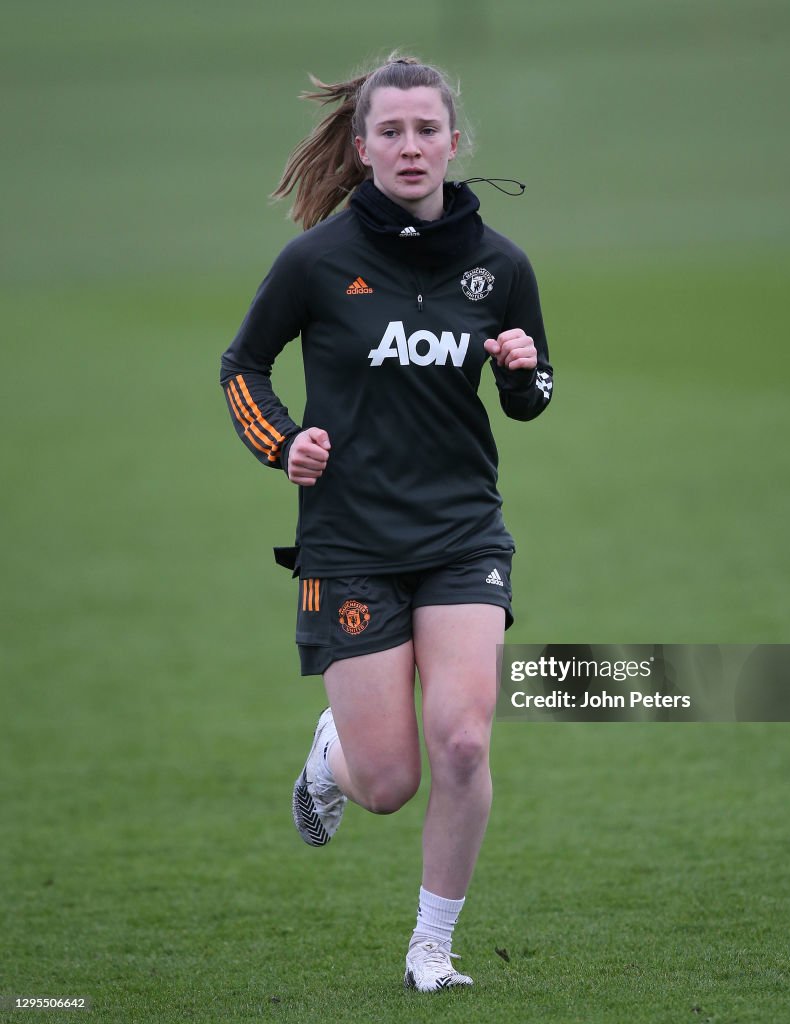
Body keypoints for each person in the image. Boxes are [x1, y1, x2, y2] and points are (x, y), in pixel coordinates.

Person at [219, 54, 554, 992]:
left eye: (427, 130)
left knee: (463, 739)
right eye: (392, 132)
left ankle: (432, 948)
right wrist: (282, 446)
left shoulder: (501, 267)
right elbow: (242, 367)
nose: (412, 146)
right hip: (352, 545)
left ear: (455, 143)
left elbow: (530, 400)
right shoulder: (316, 263)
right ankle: (335, 750)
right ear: (363, 149)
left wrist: (525, 367)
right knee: (387, 783)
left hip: (462, 537)